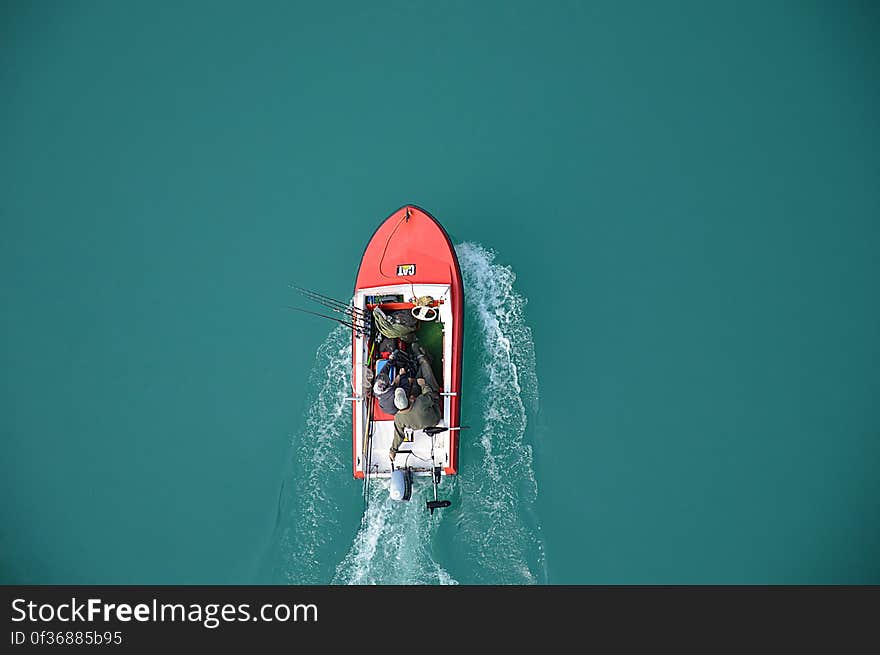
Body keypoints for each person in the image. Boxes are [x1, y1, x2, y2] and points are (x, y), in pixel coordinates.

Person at [390, 342, 442, 460]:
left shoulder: (398, 418)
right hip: (435, 415)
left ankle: (423, 361)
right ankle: (423, 358)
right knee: (423, 367)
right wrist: (424, 386)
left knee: (417, 378)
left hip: (420, 424)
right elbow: (433, 396)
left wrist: (393, 450)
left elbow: (399, 436)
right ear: (408, 400)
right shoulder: (420, 402)